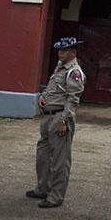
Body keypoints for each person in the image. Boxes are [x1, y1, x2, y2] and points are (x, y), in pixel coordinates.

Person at [26, 36, 86, 208]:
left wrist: (64, 121)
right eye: (59, 50)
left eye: (63, 50)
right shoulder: (60, 67)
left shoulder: (74, 72)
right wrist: (43, 97)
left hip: (60, 118)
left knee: (60, 160)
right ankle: (42, 188)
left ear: (73, 52)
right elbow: (55, 89)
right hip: (47, 117)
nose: (59, 53)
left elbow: (73, 99)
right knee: (43, 156)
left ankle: (55, 197)